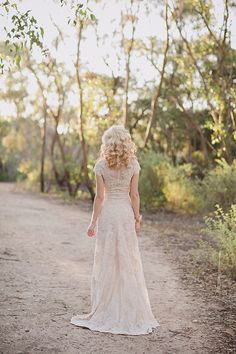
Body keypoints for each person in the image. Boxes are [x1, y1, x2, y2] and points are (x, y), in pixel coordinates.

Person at [70, 124, 160, 335]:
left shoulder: (101, 165)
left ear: (107, 143)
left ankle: (107, 307)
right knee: (127, 259)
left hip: (109, 214)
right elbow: (135, 195)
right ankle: (129, 309)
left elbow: (100, 197)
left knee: (108, 259)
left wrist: (93, 222)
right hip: (125, 214)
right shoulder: (134, 164)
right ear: (126, 142)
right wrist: (137, 218)